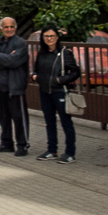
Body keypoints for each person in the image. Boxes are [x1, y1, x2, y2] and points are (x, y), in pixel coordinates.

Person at [32, 25, 80, 164]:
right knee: (49, 122)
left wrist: (60, 80)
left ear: (57, 37)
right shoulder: (41, 53)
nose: (49, 39)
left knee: (66, 122)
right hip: (45, 92)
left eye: (52, 36)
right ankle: (52, 150)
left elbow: (75, 72)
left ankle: (70, 153)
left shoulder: (65, 53)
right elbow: (36, 70)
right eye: (46, 36)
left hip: (60, 92)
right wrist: (35, 77)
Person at [0, 17, 30, 156]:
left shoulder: (21, 43)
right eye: (6, 27)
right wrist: (5, 57)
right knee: (4, 116)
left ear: (15, 28)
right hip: (1, 85)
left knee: (19, 117)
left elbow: (14, 61)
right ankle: (6, 143)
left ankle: (23, 145)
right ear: (1, 28)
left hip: (15, 86)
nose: (9, 29)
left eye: (11, 27)